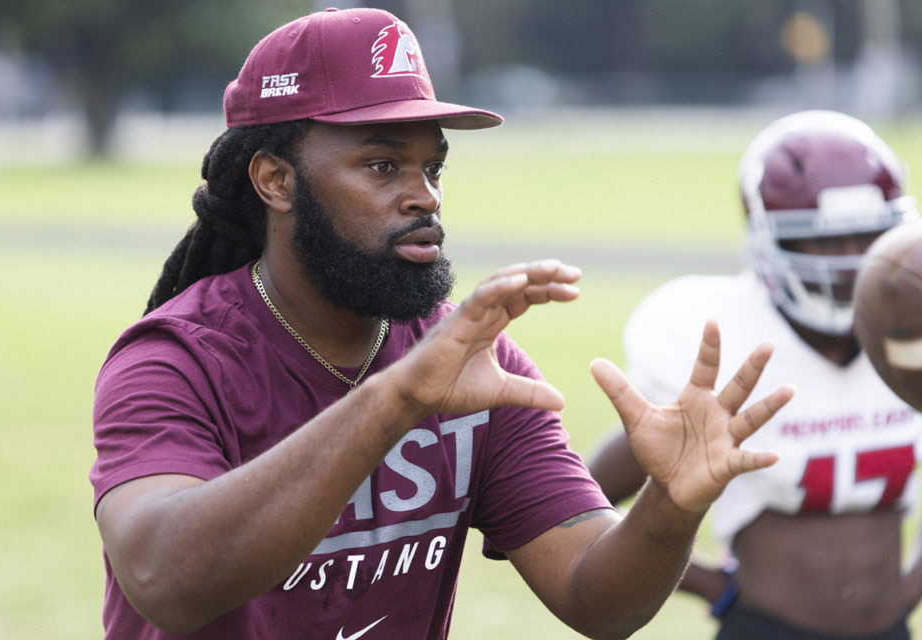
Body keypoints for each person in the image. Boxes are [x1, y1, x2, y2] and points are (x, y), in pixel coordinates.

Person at [89, 8, 793, 640]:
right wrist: (399, 398)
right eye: (382, 164)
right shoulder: (174, 359)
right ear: (276, 181)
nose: (422, 197)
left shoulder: (474, 361)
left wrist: (669, 506)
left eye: (433, 168)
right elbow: (166, 585)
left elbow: (595, 598)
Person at [588, 110, 922, 639]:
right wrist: (711, 585)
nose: (848, 260)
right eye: (823, 240)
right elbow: (585, 495)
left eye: (866, 236)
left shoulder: (911, 342)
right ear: (767, 241)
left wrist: (910, 591)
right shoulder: (721, 340)